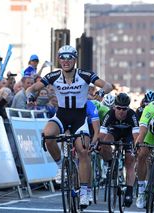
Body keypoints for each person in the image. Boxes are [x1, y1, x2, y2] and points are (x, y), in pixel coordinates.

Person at [25, 45, 112, 208]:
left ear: (75, 59)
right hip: (62, 115)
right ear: (59, 59)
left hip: (79, 117)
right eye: (62, 57)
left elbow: (107, 85)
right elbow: (32, 88)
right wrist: (30, 95)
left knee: (83, 150)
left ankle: (85, 190)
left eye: (69, 57)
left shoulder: (85, 75)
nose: (65, 61)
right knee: (48, 135)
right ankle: (60, 166)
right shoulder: (53, 75)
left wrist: (101, 92)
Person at [99, 93, 139, 207]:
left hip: (128, 135)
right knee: (104, 144)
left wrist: (136, 147)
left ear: (128, 108)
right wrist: (98, 144)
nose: (121, 111)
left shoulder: (132, 115)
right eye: (119, 108)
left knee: (130, 161)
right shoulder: (110, 114)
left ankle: (129, 191)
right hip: (114, 132)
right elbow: (102, 133)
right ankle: (112, 164)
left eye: (124, 109)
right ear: (114, 107)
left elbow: (136, 135)